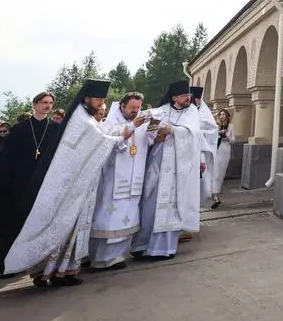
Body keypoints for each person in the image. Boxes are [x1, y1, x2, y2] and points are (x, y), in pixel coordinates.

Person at [4, 79, 132, 288]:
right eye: (98, 100)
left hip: (78, 183)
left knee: (71, 226)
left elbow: (100, 136)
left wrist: (119, 134)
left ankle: (62, 271)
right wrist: (122, 136)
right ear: (87, 98)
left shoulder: (85, 117)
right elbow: (99, 142)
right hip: (69, 185)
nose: (101, 104)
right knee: (62, 225)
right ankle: (49, 272)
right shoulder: (81, 119)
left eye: (103, 100)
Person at [0, 91, 61, 276]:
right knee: (14, 223)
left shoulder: (55, 128)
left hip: (43, 183)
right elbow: (5, 157)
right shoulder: (20, 129)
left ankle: (35, 263)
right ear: (35, 104)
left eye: (50, 103)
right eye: (44, 102)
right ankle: (6, 265)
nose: (47, 106)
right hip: (19, 183)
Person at [132, 80, 203, 261]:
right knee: (150, 203)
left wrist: (172, 130)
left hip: (179, 167)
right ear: (174, 97)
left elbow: (194, 134)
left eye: (189, 95)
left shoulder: (192, 111)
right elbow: (149, 132)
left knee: (172, 205)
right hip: (159, 162)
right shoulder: (161, 110)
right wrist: (157, 135)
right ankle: (142, 245)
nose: (188, 98)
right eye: (184, 96)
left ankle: (164, 248)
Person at [88, 93, 152, 270]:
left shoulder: (140, 121)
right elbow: (110, 141)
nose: (135, 112)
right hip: (113, 180)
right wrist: (132, 126)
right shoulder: (110, 123)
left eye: (138, 108)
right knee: (109, 218)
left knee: (128, 217)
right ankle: (101, 258)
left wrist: (156, 129)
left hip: (135, 178)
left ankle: (117, 256)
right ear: (122, 106)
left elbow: (152, 140)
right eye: (132, 108)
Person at [193, 86, 219, 210]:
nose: (196, 101)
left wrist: (199, 132)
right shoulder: (187, 111)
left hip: (202, 149)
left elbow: (213, 129)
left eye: (198, 98)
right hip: (189, 148)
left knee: (202, 177)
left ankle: (200, 201)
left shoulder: (204, 113)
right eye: (194, 98)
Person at [210, 107, 235, 209]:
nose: (222, 116)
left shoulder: (231, 126)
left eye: (224, 114)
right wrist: (218, 134)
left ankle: (216, 195)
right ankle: (215, 196)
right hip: (216, 151)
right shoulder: (216, 126)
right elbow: (211, 138)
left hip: (225, 151)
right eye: (220, 114)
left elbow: (233, 140)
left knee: (221, 173)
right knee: (215, 173)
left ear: (227, 116)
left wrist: (227, 137)